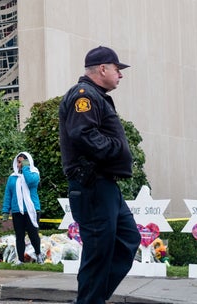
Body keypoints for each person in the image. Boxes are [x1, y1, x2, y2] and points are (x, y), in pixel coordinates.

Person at [58, 46, 141, 304]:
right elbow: (82, 134)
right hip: (92, 184)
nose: (121, 75)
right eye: (118, 69)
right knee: (98, 251)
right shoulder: (85, 95)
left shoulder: (97, 96)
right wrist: (116, 150)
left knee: (128, 239)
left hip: (105, 186)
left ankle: (92, 299)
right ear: (103, 69)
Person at [2, 152, 42, 265]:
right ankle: (20, 259)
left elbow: (30, 182)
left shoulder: (34, 174)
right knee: (19, 235)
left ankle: (38, 254)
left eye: (23, 162)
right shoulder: (12, 177)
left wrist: (26, 168)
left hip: (32, 210)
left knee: (33, 234)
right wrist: (5, 210)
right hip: (17, 210)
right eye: (19, 162)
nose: (20, 164)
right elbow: (8, 194)